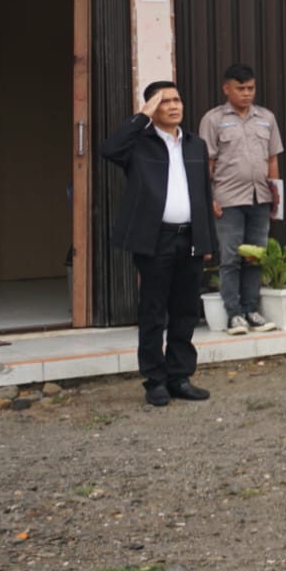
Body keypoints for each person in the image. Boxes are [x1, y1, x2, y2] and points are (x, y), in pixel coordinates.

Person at [99, 81, 216, 407]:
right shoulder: (139, 144)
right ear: (152, 107)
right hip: (155, 239)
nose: (174, 106)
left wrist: (207, 239)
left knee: (185, 311)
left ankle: (179, 376)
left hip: (190, 238)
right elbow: (109, 149)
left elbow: (204, 194)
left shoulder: (195, 144)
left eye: (177, 99)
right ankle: (155, 380)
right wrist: (142, 117)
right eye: (165, 101)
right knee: (153, 311)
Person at [199, 63, 283, 336]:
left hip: (261, 198)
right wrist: (208, 198)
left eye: (251, 88)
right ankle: (234, 315)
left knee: (254, 257)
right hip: (228, 200)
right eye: (241, 88)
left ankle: (251, 311)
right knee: (231, 258)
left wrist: (276, 197)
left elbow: (272, 159)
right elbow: (207, 163)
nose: (247, 93)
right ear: (227, 89)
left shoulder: (266, 118)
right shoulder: (213, 119)